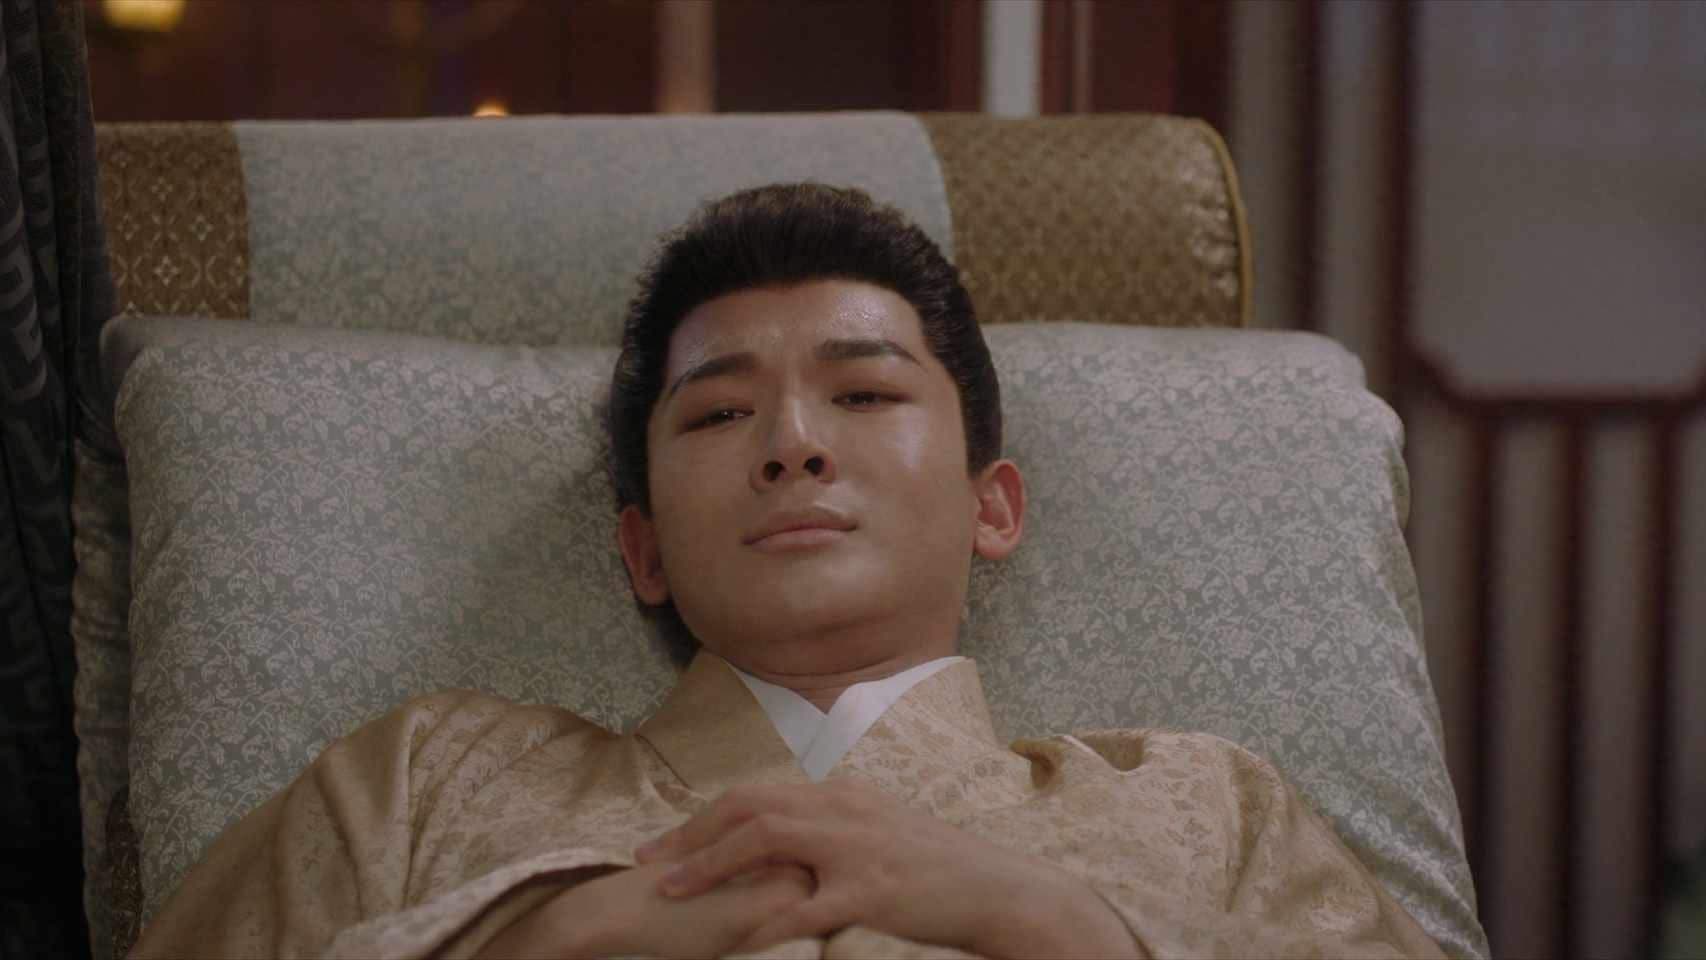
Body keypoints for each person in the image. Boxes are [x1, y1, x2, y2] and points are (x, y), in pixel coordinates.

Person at [131, 183, 1445, 959]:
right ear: (643, 549)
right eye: (718, 413)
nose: (792, 444)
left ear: (991, 508)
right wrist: (539, 945)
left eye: (863, 394)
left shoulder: (1206, 810)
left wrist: (1060, 926)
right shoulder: (421, 787)